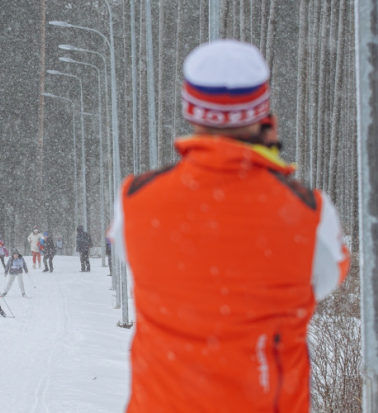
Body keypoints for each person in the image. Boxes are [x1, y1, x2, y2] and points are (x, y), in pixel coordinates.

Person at [107, 40, 350, 412]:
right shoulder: (308, 210)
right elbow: (327, 275)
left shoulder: (136, 199)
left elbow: (141, 260)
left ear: (190, 109)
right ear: (263, 111)